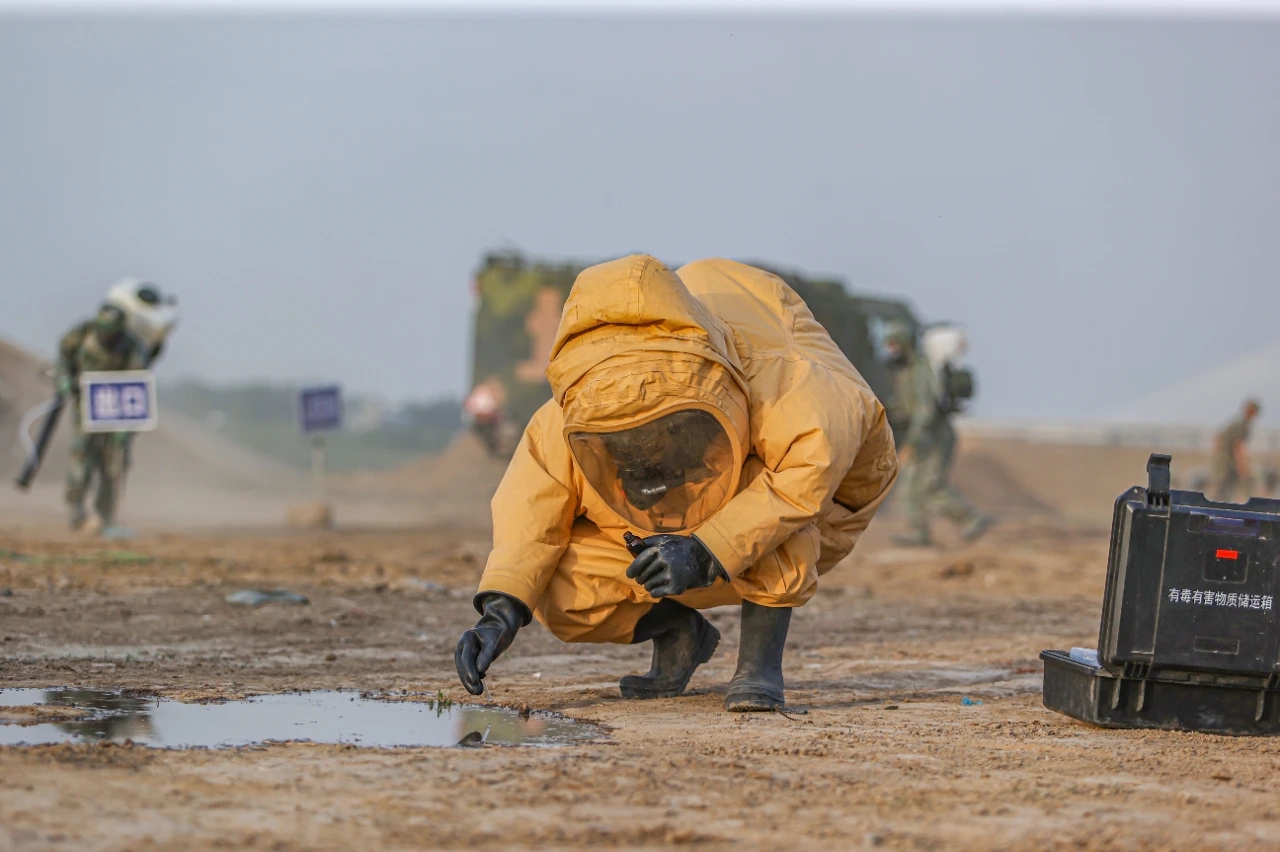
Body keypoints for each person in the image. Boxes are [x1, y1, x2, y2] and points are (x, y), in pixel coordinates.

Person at [454, 255, 899, 711]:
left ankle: (759, 667)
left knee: (771, 504)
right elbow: (531, 504)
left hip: (825, 511)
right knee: (555, 582)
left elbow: (804, 477)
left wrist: (708, 548)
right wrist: (502, 609)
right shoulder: (574, 407)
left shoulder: (789, 378)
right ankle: (678, 633)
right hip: (689, 520)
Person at [882, 321, 991, 547]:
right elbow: (909, 406)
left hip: (934, 437)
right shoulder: (905, 371)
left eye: (894, 344)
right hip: (923, 436)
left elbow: (925, 409)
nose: (891, 349)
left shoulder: (920, 370)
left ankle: (971, 518)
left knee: (930, 485)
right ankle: (918, 532)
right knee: (910, 486)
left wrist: (914, 438)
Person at [56, 305, 142, 531]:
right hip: (86, 407)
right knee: (82, 454)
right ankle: (76, 507)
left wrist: (128, 424)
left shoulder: (132, 347)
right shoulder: (82, 333)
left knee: (114, 462)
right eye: (103, 330)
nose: (106, 335)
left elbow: (137, 382)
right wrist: (64, 378)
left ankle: (106, 514)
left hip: (118, 411)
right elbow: (64, 356)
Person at [1209, 399, 1262, 503]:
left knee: (1225, 490)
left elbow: (1219, 438)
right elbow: (1238, 447)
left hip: (1225, 460)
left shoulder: (1240, 423)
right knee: (1224, 490)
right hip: (1225, 461)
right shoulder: (1241, 425)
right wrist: (1242, 467)